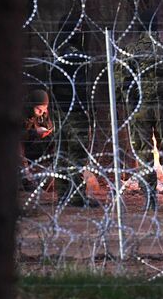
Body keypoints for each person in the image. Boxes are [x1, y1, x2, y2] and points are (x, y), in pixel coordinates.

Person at [118, 10, 163, 212]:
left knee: (143, 154)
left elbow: (121, 80)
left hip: (140, 109)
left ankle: (150, 200)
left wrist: (125, 103)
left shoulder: (130, 50)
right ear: (155, 27)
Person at [50, 15, 99, 208]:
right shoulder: (71, 53)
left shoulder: (56, 49)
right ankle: (76, 197)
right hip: (74, 109)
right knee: (76, 154)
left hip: (59, 109)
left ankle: (64, 194)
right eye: (77, 29)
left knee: (62, 153)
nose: (80, 33)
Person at [20, 88, 54, 191]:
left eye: (45, 109)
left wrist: (47, 131)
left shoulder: (43, 112)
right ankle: (27, 178)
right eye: (39, 109)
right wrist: (35, 133)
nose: (42, 112)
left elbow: (48, 125)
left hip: (31, 146)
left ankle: (49, 167)